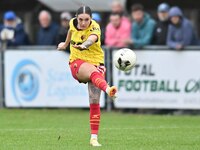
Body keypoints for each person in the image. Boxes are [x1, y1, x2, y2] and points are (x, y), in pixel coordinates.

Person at [57, 6, 117, 147]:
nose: (83, 22)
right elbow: (71, 31)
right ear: (76, 17)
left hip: (97, 64)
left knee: (94, 100)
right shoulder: (72, 23)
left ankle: (94, 138)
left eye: (87, 19)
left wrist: (85, 45)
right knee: (91, 71)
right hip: (77, 63)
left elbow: (92, 39)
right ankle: (108, 89)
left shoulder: (95, 28)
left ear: (91, 19)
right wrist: (65, 44)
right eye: (81, 19)